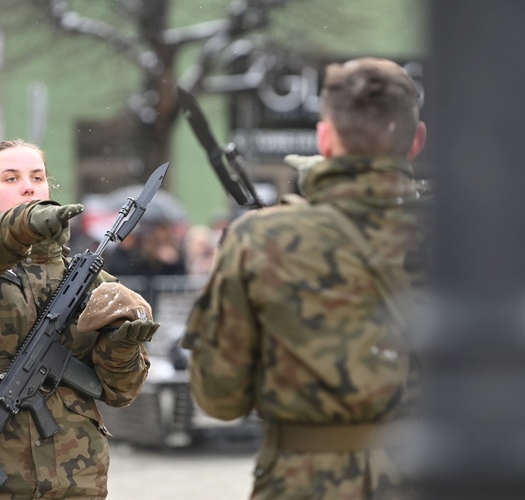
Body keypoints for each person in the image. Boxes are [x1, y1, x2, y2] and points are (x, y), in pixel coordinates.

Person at [182, 57, 429, 499]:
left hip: (302, 483)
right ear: (416, 141)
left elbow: (219, 397)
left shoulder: (261, 239)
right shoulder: (470, 236)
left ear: (324, 138)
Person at [0, 139, 159, 499]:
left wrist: (121, 347)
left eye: (37, 177)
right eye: (11, 178)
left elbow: (120, 391)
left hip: (72, 471)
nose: (28, 186)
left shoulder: (86, 279)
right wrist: (23, 224)